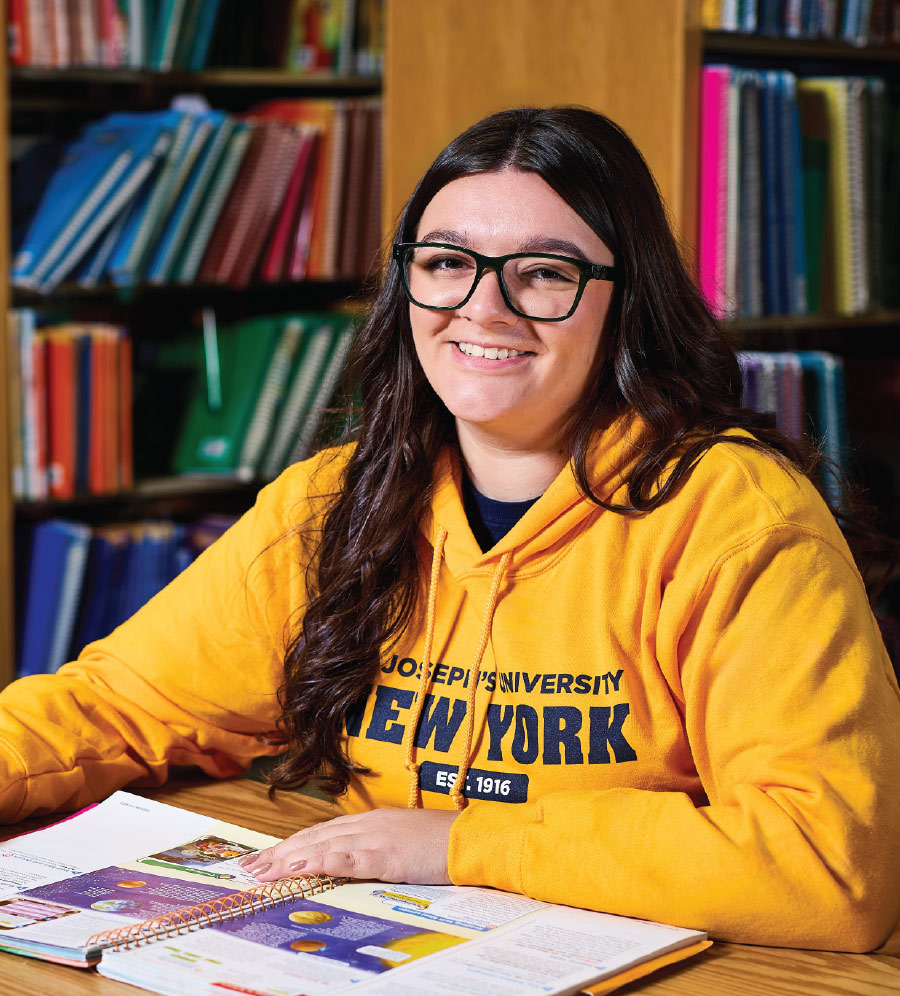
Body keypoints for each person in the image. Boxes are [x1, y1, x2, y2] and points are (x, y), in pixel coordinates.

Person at [2, 106, 899, 953]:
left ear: (628, 301)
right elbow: (118, 707)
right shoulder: (333, 502)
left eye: (545, 273)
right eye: (445, 262)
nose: (484, 307)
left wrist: (463, 842)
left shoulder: (735, 521)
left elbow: (829, 864)